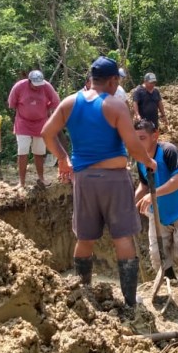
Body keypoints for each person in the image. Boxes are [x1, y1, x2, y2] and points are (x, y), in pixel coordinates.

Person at [41, 56, 156, 308]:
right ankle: (129, 301)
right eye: (118, 80)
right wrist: (149, 160)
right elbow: (132, 144)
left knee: (85, 238)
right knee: (123, 237)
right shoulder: (115, 105)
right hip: (114, 179)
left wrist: (62, 159)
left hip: (83, 180)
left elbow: (47, 133)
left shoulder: (70, 102)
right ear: (113, 80)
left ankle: (84, 295)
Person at [134, 119, 178, 279]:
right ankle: (170, 281)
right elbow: (144, 185)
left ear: (155, 135)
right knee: (157, 255)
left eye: (142, 138)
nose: (139, 143)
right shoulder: (140, 159)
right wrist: (130, 204)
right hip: (158, 214)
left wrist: (153, 194)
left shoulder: (168, 151)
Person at [8, 69, 60, 188]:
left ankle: (41, 178)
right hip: (23, 122)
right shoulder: (19, 87)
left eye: (39, 85)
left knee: (39, 152)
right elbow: (12, 103)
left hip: (41, 123)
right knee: (22, 151)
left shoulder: (46, 87)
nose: (37, 88)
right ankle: (21, 182)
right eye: (34, 85)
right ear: (29, 81)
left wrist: (47, 110)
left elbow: (56, 101)